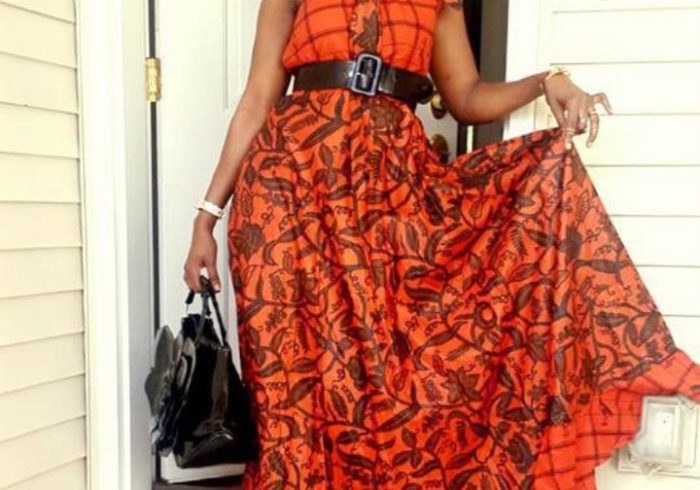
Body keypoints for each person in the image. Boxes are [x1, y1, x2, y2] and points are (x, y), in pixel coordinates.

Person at [183, 1, 700, 489]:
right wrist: (207, 217)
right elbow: (258, 99)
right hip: (287, 192)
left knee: (391, 384)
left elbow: (467, 98)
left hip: (390, 192)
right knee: (291, 384)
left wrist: (547, 81)